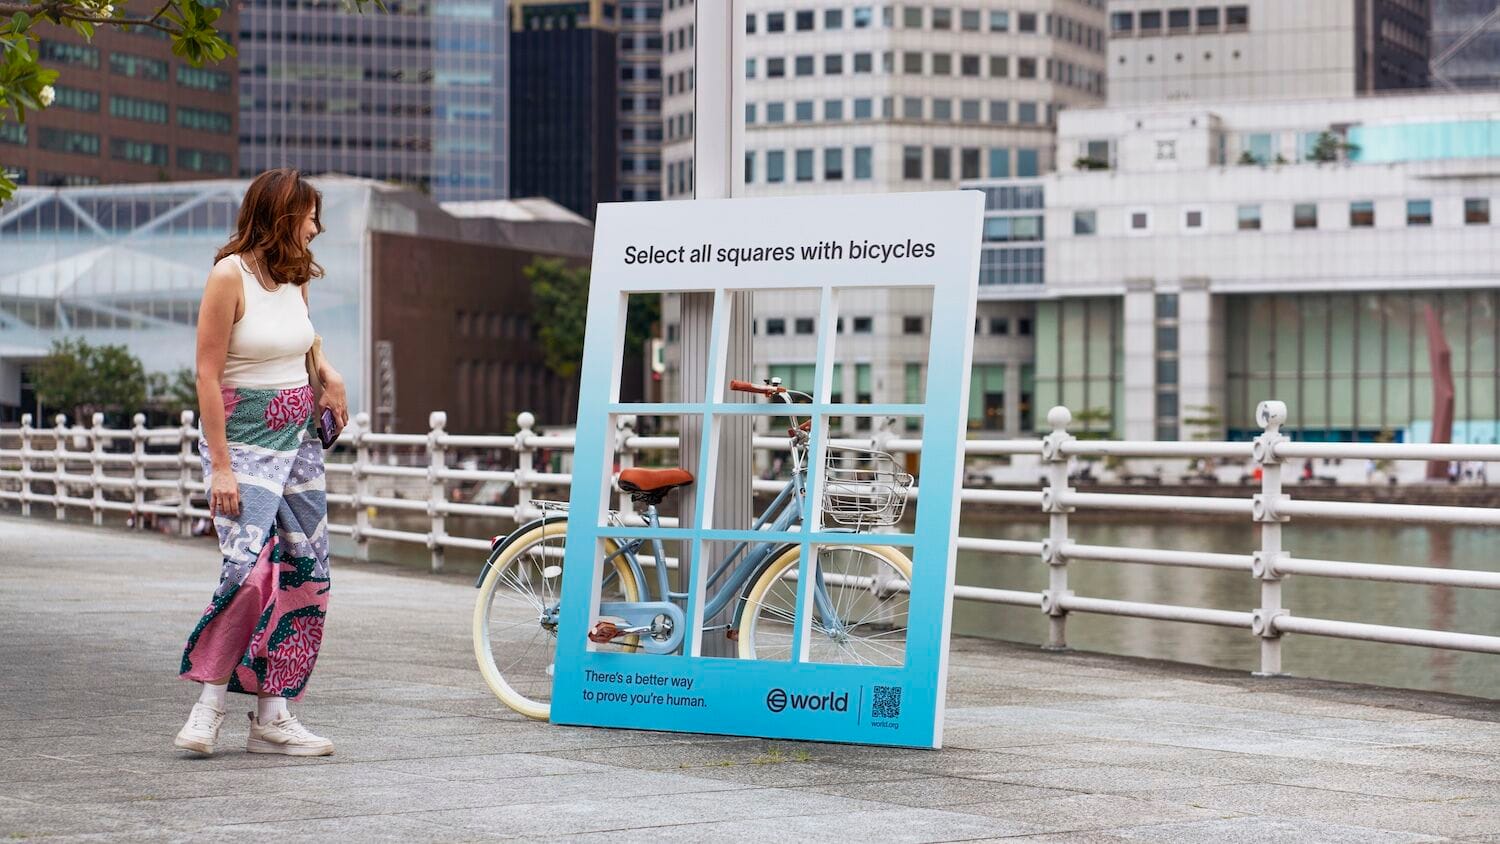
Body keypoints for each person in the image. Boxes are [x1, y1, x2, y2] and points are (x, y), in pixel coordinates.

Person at [174, 169, 349, 757]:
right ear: (283, 216)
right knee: (248, 572)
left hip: (298, 440)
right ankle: (208, 708)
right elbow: (206, 375)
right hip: (243, 440)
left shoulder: (296, 276)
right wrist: (221, 467)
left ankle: (274, 716)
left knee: (307, 573)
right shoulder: (229, 275)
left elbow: (306, 342)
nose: (316, 227)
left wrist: (328, 374)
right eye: (310, 217)